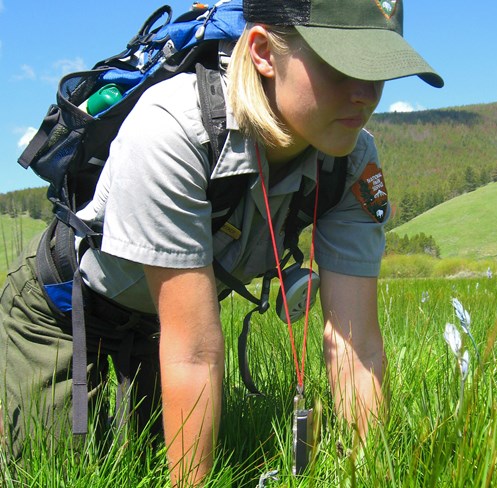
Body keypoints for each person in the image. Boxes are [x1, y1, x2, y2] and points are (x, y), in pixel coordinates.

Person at [0, 0, 443, 485]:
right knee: (52, 470)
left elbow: (356, 347)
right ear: (262, 52)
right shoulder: (174, 129)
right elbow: (194, 354)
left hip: (156, 330)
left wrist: (372, 475)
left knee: (141, 464)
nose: (365, 95)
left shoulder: (352, 161)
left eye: (380, 71)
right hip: (62, 313)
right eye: (342, 66)